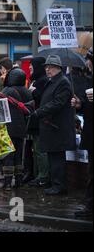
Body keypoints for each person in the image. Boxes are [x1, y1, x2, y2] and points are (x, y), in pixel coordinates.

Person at [30, 55, 76, 195]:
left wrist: (39, 112)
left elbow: (57, 103)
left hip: (58, 127)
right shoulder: (53, 81)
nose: (47, 69)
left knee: (57, 159)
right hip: (51, 127)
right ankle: (55, 183)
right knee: (52, 157)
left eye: (50, 67)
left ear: (58, 68)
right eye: (46, 67)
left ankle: (59, 186)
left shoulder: (63, 82)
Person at [0, 67, 33, 190]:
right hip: (22, 129)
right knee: (19, 155)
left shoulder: (7, 90)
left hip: (8, 128)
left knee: (8, 156)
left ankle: (7, 183)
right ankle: (19, 181)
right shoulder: (27, 92)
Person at [72, 47, 93, 219]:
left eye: (89, 59)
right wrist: (80, 104)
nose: (87, 63)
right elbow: (88, 108)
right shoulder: (88, 81)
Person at [27, 57, 50, 187]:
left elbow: (43, 100)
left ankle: (43, 177)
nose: (30, 68)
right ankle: (38, 175)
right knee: (36, 149)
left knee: (40, 150)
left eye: (32, 66)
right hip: (36, 120)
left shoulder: (42, 82)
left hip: (41, 120)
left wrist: (34, 92)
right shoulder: (37, 81)